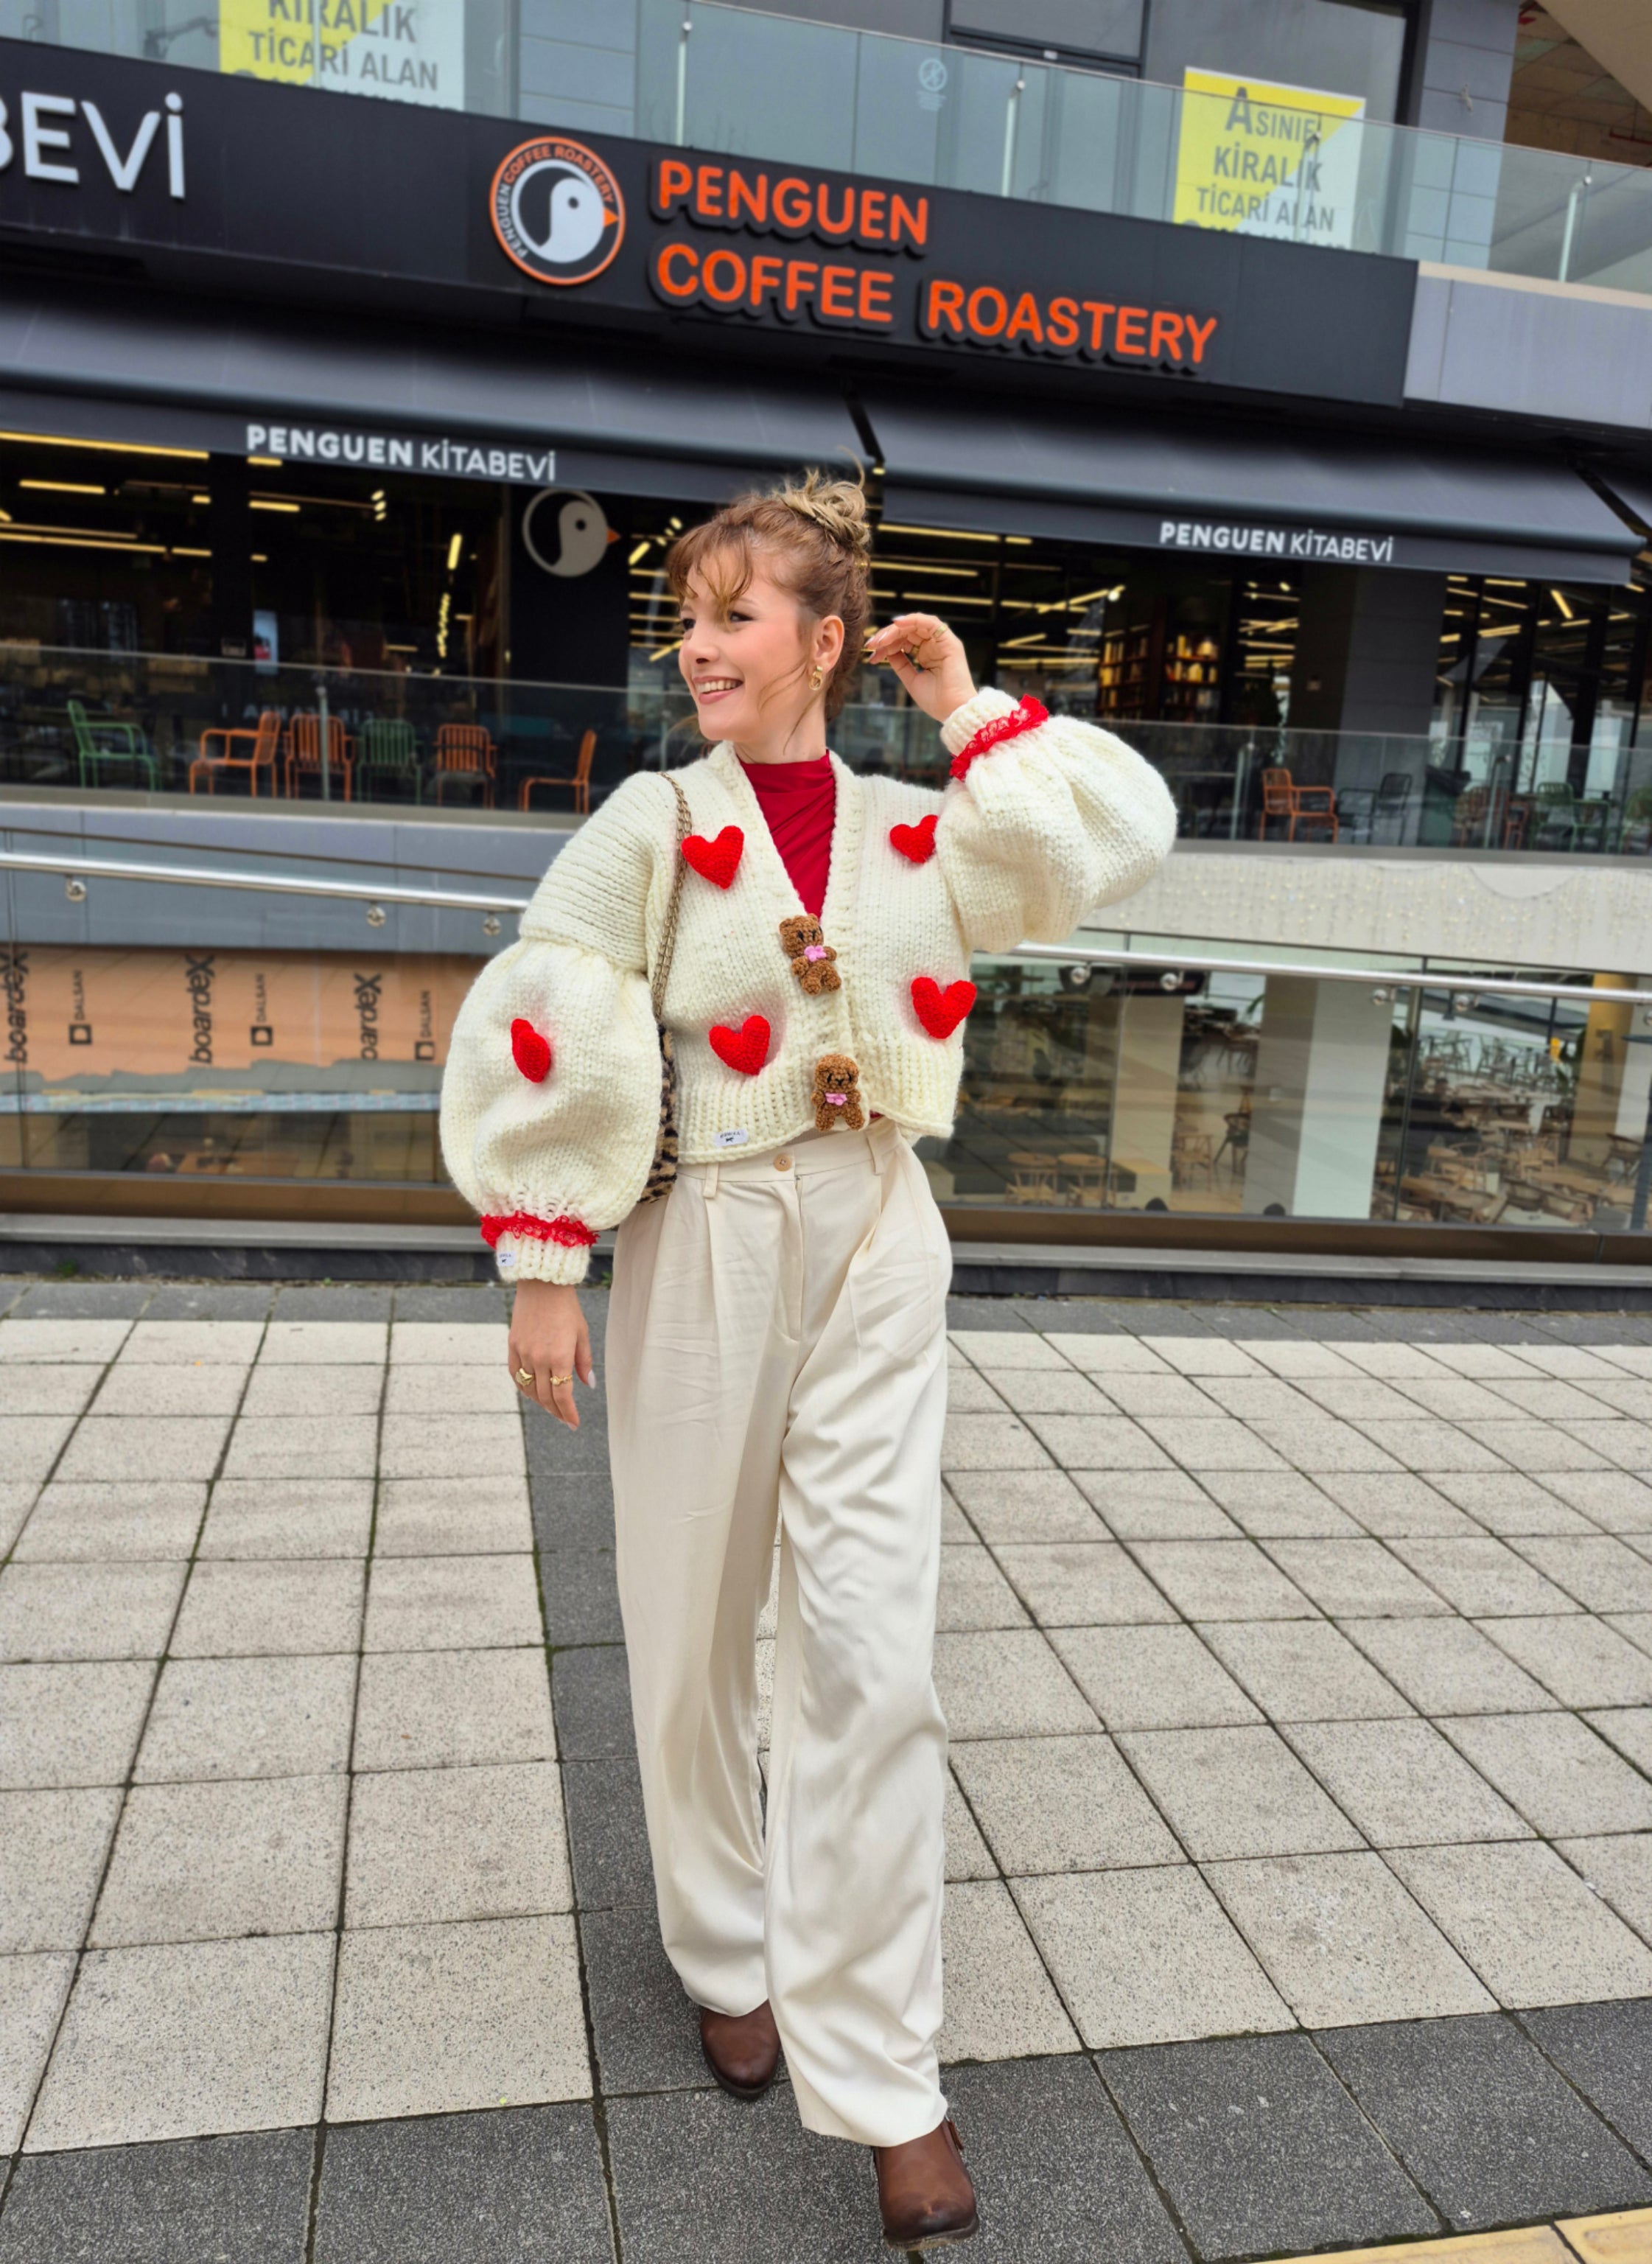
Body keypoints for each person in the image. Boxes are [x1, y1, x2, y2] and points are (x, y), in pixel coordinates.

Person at [439, 472, 1175, 2250]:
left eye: (732, 614)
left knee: (869, 1646)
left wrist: (966, 701)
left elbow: (1100, 841)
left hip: (876, 1234)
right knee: (691, 1623)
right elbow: (555, 1003)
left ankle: (888, 2079)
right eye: (684, 615)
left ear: (821, 640)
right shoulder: (640, 823)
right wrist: (545, 1259)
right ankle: (721, 1941)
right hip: (703, 1229)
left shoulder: (922, 825)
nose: (693, 645)